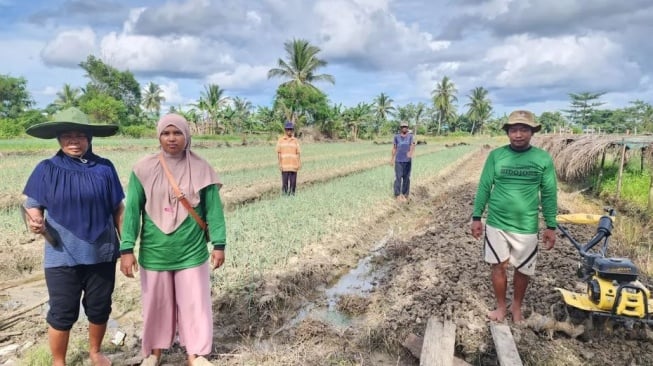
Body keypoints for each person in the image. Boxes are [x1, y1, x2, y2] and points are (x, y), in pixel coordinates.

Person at [119, 113, 226, 366]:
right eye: (166, 133)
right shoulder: (142, 169)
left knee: (195, 303)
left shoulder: (202, 169)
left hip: (191, 250)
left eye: (177, 133)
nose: (171, 138)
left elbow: (214, 210)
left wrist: (219, 244)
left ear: (186, 136)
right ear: (159, 136)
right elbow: (132, 210)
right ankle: (154, 353)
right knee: (156, 304)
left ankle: (195, 355)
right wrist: (126, 249)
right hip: (155, 251)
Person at [22, 107, 124, 366]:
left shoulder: (104, 168)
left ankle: (95, 352)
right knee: (62, 312)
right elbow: (32, 205)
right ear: (58, 138)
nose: (73, 141)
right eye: (67, 135)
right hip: (61, 254)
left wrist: (128, 247)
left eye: (80, 135)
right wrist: (34, 221)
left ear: (90, 138)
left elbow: (117, 209)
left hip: (101, 251)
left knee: (100, 308)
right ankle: (59, 361)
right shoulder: (47, 169)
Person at [470, 110, 557, 323]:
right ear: (508, 132)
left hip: (526, 225)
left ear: (532, 132)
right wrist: (476, 217)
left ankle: (516, 306)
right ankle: (501, 307)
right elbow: (484, 187)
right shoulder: (496, 156)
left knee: (522, 269)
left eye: (524, 130)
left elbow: (549, 193)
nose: (518, 134)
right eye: (514, 130)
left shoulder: (542, 158)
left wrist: (551, 225)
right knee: (498, 266)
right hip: (496, 223)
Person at [390, 121, 415, 202]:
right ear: (400, 128)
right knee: (398, 177)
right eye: (403, 127)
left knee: (406, 178)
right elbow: (394, 148)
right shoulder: (396, 137)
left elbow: (412, 145)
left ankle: (405, 194)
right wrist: (392, 158)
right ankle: (397, 195)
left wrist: (410, 153)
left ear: (407, 128)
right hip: (398, 160)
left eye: (406, 127)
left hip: (407, 161)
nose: (404, 128)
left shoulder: (410, 136)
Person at [276, 121, 301, 195]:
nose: (289, 131)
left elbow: (298, 153)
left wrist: (299, 163)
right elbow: (279, 153)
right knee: (285, 184)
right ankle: (285, 196)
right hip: (284, 166)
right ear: (285, 130)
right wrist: (279, 164)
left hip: (294, 166)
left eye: (290, 129)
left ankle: (292, 196)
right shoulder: (280, 140)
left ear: (292, 130)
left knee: (293, 184)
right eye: (287, 129)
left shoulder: (295, 141)